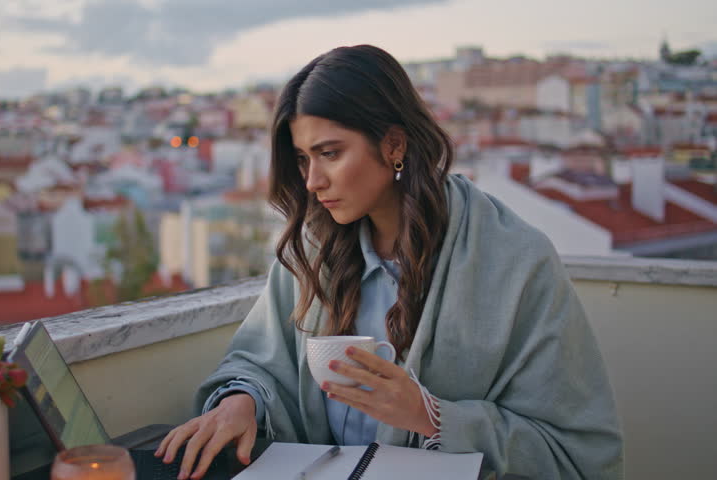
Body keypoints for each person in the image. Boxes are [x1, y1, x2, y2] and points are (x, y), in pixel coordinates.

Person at [154, 44, 624, 480]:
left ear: (394, 145)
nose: (313, 181)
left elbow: (576, 451)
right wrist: (242, 402)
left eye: (330, 154)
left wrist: (431, 416)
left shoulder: (517, 262)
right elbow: (259, 362)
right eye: (301, 160)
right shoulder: (314, 250)